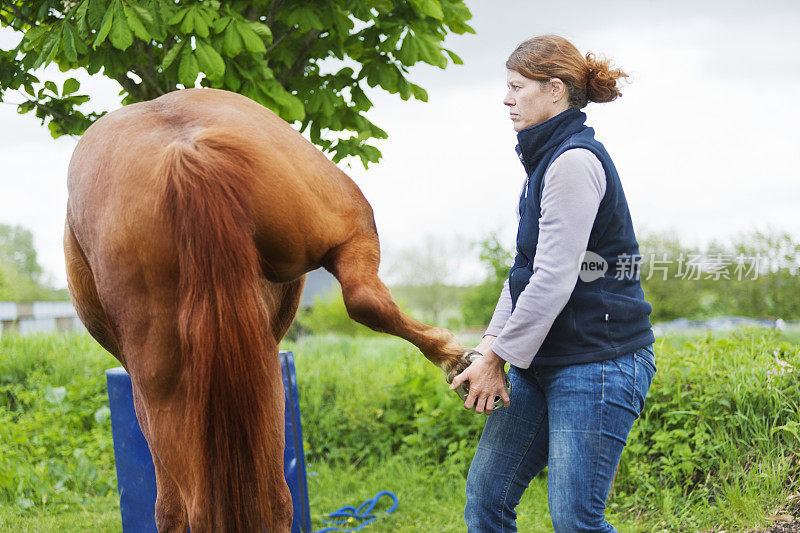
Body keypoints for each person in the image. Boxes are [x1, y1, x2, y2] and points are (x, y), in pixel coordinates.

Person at [449, 34, 658, 532]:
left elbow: (554, 280)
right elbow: (522, 274)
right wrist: (487, 349)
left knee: (575, 522)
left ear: (556, 89)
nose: (506, 99)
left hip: (599, 363)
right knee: (486, 500)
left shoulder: (573, 163)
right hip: (542, 361)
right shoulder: (541, 164)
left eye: (518, 87)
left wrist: (499, 359)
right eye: (507, 87)